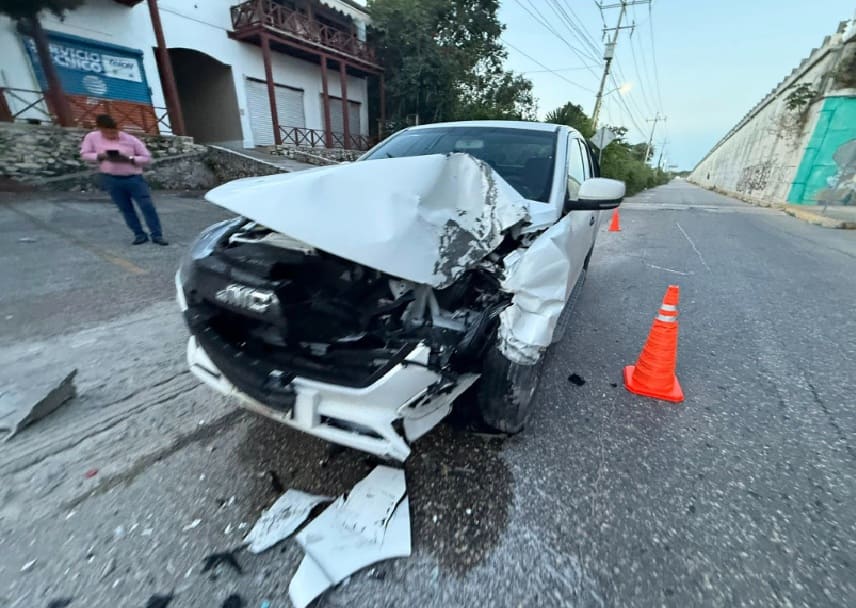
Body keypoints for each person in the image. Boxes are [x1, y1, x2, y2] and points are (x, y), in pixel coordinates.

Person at [80, 114, 167, 245]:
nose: (112, 135)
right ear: (100, 129)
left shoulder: (130, 139)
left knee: (147, 206)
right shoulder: (92, 137)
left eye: (114, 132)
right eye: (107, 132)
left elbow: (146, 157)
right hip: (111, 178)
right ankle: (139, 234)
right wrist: (101, 156)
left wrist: (130, 159)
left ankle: (157, 235)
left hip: (133, 178)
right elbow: (85, 154)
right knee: (125, 208)